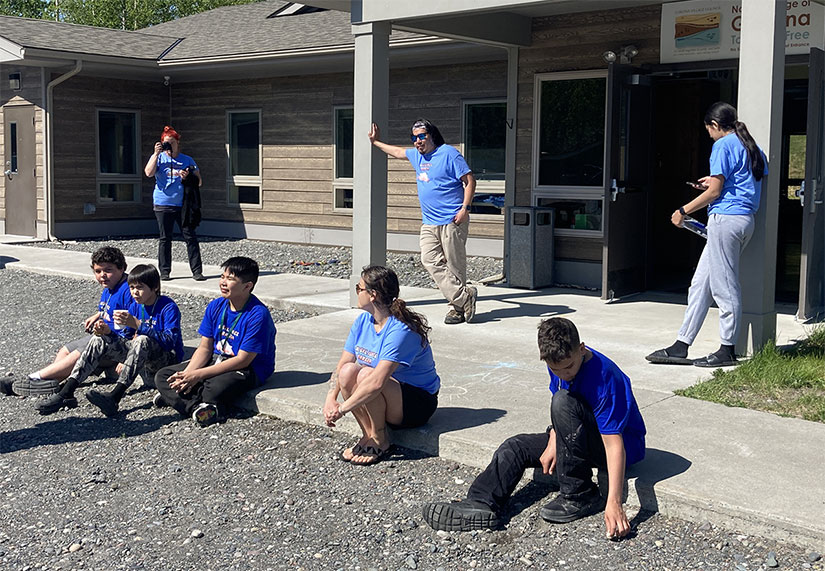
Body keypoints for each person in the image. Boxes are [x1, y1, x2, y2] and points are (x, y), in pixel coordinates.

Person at [422, 317, 646, 538]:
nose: (565, 374)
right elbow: (567, 411)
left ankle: (580, 495)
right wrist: (553, 438)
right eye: (556, 369)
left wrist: (614, 503)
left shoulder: (605, 378)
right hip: (580, 433)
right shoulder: (558, 362)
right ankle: (480, 502)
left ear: (582, 348)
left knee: (562, 400)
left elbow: (614, 445)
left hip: (621, 446)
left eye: (569, 366)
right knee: (516, 446)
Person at [646, 102, 768, 368]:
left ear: (714, 125)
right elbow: (738, 182)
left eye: (708, 130)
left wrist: (683, 210)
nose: (709, 135)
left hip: (725, 220)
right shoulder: (751, 146)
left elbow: (715, 193)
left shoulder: (722, 146)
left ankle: (727, 349)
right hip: (743, 220)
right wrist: (710, 182)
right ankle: (681, 345)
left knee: (725, 286)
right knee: (700, 285)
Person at [323, 265, 440, 466]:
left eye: (359, 288)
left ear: (372, 295)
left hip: (416, 403)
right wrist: (330, 399)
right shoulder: (363, 322)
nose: (356, 293)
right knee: (349, 371)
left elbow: (377, 382)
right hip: (387, 396)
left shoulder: (400, 330)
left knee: (367, 374)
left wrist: (341, 410)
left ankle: (380, 438)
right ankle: (368, 434)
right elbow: (344, 363)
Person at [368, 119, 478, 325]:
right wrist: (376, 142)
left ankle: (456, 309)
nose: (417, 141)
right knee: (429, 260)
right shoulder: (417, 156)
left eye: (421, 136)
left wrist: (465, 208)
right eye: (414, 138)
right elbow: (397, 152)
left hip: (452, 219)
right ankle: (465, 298)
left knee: (455, 266)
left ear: (432, 135)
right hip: (429, 222)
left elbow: (469, 180)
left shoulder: (449, 153)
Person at [154, 256, 276, 427]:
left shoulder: (257, 315)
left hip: (248, 368)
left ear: (247, 286)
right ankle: (199, 407)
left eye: (230, 279)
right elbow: (205, 348)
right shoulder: (216, 306)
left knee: (215, 386)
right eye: (222, 277)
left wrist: (197, 375)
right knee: (163, 376)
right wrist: (187, 375)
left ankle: (180, 399)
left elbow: (243, 360)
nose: (223, 283)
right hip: (217, 358)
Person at [0, 246, 131, 401]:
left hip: (118, 342)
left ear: (122, 268)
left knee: (80, 353)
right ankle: (50, 383)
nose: (103, 275)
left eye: (108, 270)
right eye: (98, 271)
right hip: (104, 334)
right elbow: (111, 308)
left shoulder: (129, 289)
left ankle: (32, 379)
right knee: (65, 350)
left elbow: (137, 321)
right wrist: (98, 315)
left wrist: (128, 359)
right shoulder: (110, 286)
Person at [81, 264, 185, 417]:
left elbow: (169, 341)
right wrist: (108, 332)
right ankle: (68, 390)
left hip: (168, 360)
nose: (135, 292)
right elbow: (126, 337)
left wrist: (138, 324)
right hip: (143, 356)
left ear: (155, 287)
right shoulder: (136, 306)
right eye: (131, 287)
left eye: (140, 287)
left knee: (143, 339)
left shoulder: (168, 307)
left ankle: (115, 396)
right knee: (99, 339)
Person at [144, 125, 204, 282]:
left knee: (190, 236)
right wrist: (156, 154)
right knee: (165, 238)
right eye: (165, 142)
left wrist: (187, 177)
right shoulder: (159, 158)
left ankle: (197, 271)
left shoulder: (187, 160)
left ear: (178, 142)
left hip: (183, 205)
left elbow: (198, 182)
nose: (168, 145)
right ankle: (164, 271)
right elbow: (148, 173)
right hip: (163, 203)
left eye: (171, 142)